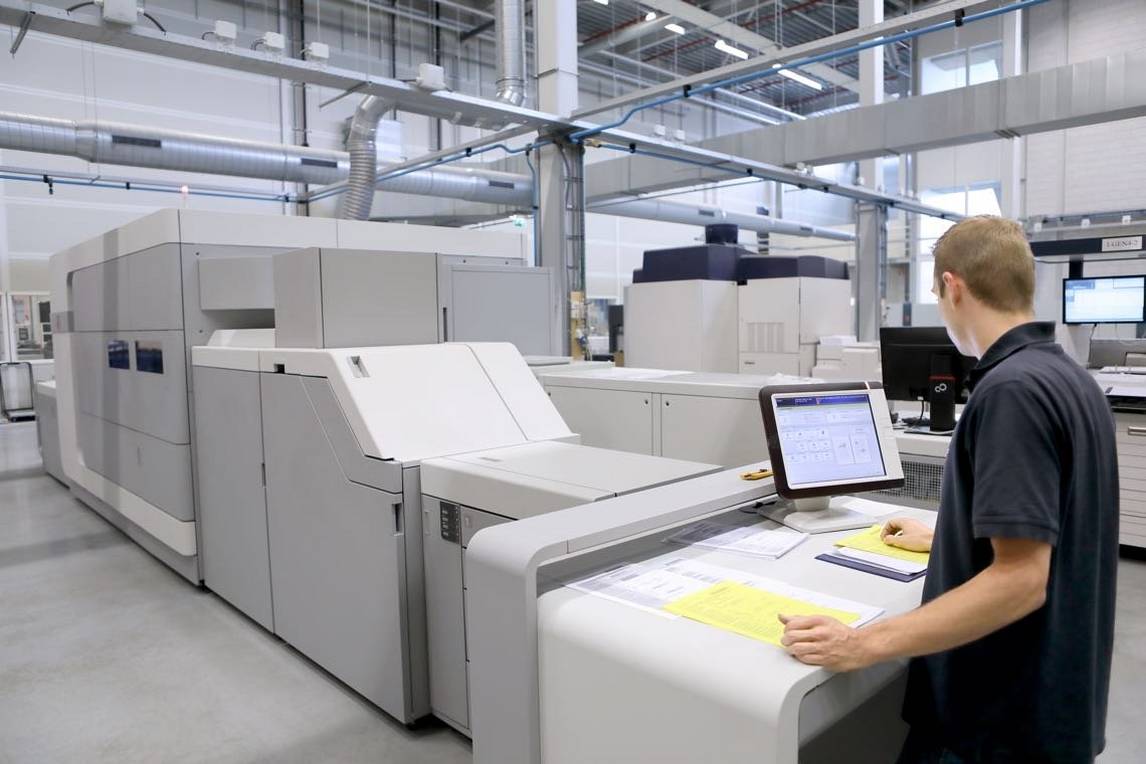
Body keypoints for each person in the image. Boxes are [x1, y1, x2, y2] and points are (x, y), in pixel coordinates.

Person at [779, 216, 1119, 763]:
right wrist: (948, 538)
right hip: (1053, 706)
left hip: (998, 725)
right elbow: (1059, 528)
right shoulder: (1069, 378)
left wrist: (860, 643)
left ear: (952, 286)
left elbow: (1021, 581)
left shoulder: (1012, 392)